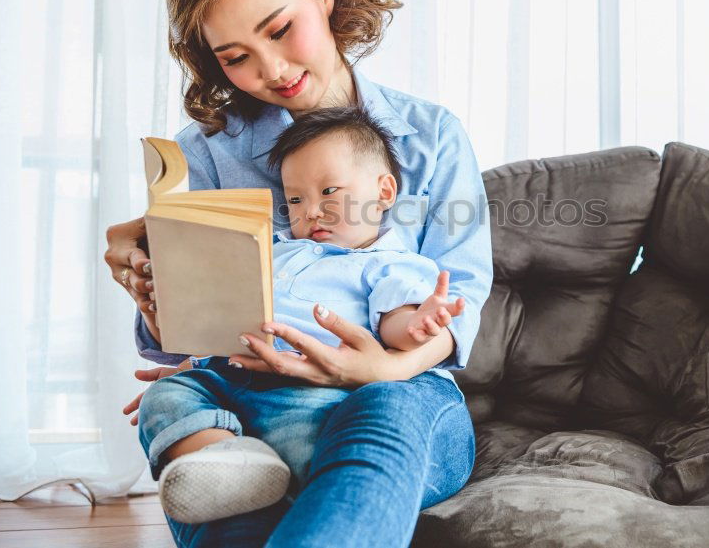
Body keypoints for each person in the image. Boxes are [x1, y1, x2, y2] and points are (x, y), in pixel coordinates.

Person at [102, 0, 493, 548]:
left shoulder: (432, 137)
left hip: (400, 392)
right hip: (251, 396)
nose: (272, 69)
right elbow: (183, 337)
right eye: (236, 58)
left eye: (280, 30)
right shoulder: (207, 154)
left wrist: (387, 368)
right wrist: (155, 296)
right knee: (195, 435)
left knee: (383, 417)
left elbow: (462, 289)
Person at [139, 107, 468, 525]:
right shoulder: (273, 248)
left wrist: (420, 325)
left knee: (302, 436)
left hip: (306, 388)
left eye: (330, 191)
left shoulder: (388, 262)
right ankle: (229, 460)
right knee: (165, 397)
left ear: (384, 191)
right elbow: (224, 305)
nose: (311, 211)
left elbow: (395, 325)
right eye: (295, 199)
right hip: (227, 375)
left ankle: (280, 483)